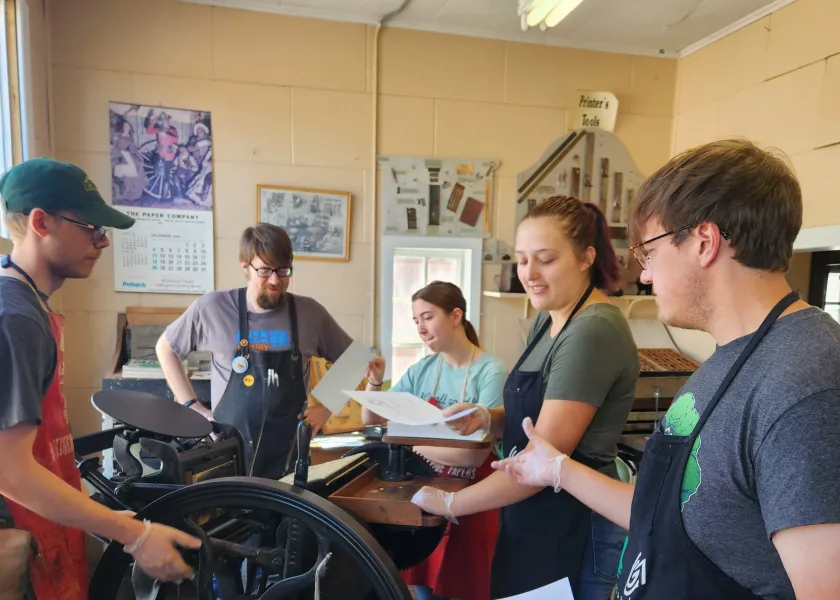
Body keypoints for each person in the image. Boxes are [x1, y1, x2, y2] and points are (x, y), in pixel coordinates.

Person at [491, 140, 840, 600]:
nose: (646, 276)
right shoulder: (726, 362)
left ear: (704, 242)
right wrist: (557, 470)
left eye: (649, 252)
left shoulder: (804, 385)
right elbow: (666, 510)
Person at [412, 197, 640, 599]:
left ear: (587, 257)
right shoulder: (546, 317)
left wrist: (451, 504)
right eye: (521, 260)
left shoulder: (592, 330)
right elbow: (533, 415)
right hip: (528, 519)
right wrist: (488, 418)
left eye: (545, 259)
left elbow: (542, 462)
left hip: (567, 526)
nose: (529, 274)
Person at [0, 157, 200, 598]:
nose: (104, 241)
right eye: (91, 227)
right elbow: (9, 470)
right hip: (18, 546)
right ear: (40, 222)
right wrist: (135, 535)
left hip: (47, 533)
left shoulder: (31, 305)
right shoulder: (14, 316)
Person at [156, 222, 353, 479]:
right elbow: (166, 348)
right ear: (245, 266)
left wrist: (325, 407)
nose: (275, 280)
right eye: (265, 270)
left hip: (289, 459)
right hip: (227, 455)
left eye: (283, 271)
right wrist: (191, 405)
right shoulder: (213, 308)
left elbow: (355, 359)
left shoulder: (309, 313)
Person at [362, 281, 507, 600]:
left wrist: (404, 440)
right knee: (424, 587)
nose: (421, 328)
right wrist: (374, 382)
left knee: (464, 588)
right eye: (416, 321)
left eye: (427, 317)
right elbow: (371, 419)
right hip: (426, 495)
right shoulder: (424, 368)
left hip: (472, 502)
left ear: (456, 316)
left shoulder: (490, 370)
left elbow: (473, 457)